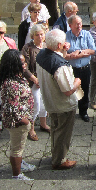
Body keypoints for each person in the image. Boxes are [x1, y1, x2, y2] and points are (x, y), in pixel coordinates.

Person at [36, 29, 80, 170]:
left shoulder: (42, 53)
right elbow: (67, 90)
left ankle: (56, 154)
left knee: (55, 129)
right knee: (63, 133)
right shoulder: (60, 65)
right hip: (63, 105)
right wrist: (77, 82)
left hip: (50, 100)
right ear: (59, 44)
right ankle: (59, 160)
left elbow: (57, 58)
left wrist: (63, 51)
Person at [0, 49, 35, 180]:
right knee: (16, 149)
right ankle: (17, 174)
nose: (25, 65)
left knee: (18, 145)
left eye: (25, 62)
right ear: (13, 64)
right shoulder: (12, 84)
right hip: (18, 123)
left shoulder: (17, 77)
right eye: (22, 63)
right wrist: (25, 121)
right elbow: (12, 108)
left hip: (22, 120)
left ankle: (20, 163)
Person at [21, 24, 51, 141]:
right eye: (37, 35)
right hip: (33, 82)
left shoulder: (46, 46)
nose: (39, 37)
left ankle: (43, 124)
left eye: (41, 34)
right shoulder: (27, 48)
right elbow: (24, 67)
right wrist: (34, 79)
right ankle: (31, 128)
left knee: (44, 104)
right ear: (32, 36)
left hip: (45, 80)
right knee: (36, 105)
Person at [65, 15, 96, 122]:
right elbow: (62, 54)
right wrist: (71, 55)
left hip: (85, 68)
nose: (79, 26)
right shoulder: (66, 36)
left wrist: (79, 53)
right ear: (70, 25)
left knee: (84, 90)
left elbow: (92, 50)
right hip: (72, 69)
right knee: (73, 91)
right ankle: (71, 112)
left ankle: (83, 112)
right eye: (76, 24)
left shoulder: (87, 34)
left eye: (80, 23)